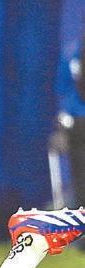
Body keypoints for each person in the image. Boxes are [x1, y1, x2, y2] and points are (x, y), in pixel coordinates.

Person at [56, 26, 85, 215]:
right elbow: (63, 89)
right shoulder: (72, 55)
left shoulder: (71, 53)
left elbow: (62, 90)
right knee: (81, 181)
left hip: (76, 122)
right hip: (78, 123)